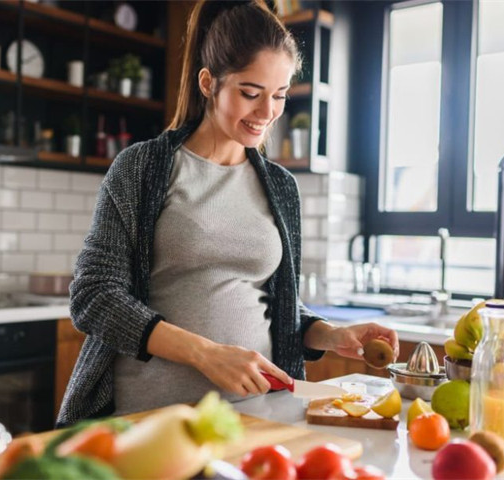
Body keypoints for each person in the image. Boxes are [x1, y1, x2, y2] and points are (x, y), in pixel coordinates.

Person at [56, 0, 399, 426]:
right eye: (250, 93)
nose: (267, 113)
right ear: (208, 82)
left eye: (279, 95)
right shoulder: (143, 168)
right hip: (150, 419)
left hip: (257, 417)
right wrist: (206, 354)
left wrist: (328, 334)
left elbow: (276, 306)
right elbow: (94, 296)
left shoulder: (280, 187)